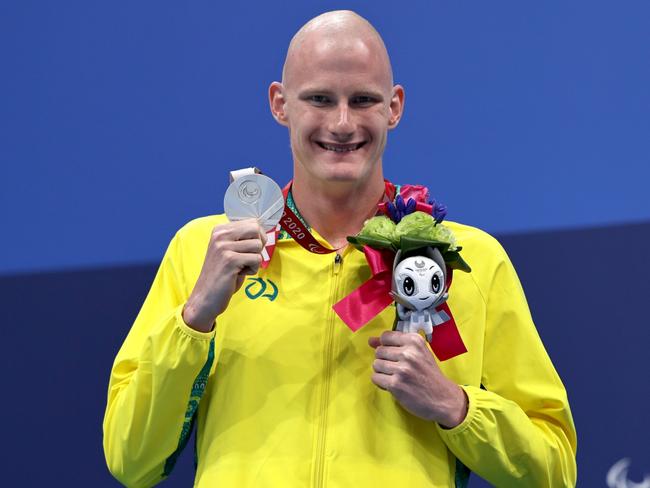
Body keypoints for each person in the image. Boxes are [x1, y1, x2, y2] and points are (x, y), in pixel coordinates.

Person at [103, 10, 577, 487]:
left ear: (394, 107)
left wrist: (457, 406)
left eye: (364, 100)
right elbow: (131, 459)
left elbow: (554, 469)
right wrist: (194, 320)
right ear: (279, 103)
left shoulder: (468, 261)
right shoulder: (202, 251)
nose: (343, 123)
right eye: (321, 99)